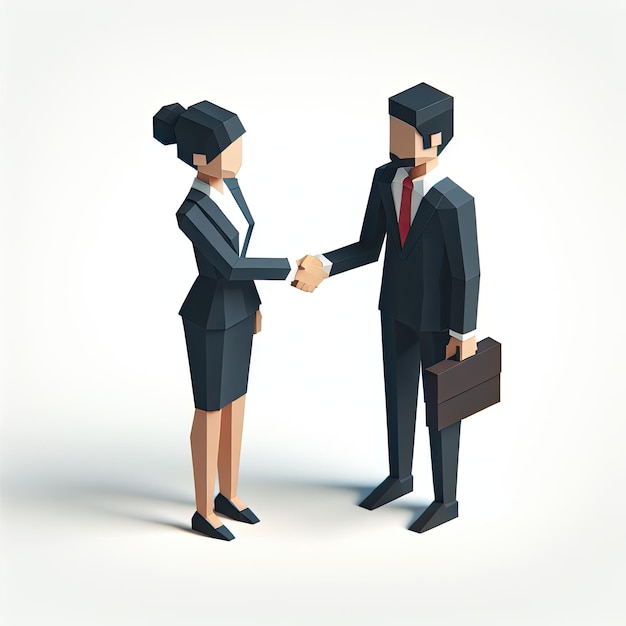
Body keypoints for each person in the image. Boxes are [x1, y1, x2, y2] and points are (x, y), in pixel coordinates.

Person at [292, 83, 480, 532]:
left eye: (404, 133)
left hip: (439, 324)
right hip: (394, 309)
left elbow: (467, 272)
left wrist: (463, 333)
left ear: (434, 140)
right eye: (393, 130)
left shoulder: (455, 201)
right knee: (397, 398)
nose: (394, 142)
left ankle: (446, 498)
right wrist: (326, 265)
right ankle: (399, 476)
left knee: (442, 408)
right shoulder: (383, 179)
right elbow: (367, 245)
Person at [154, 101, 291, 540]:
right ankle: (202, 508)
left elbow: (243, 257)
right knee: (210, 408)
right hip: (210, 313)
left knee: (236, 402)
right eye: (230, 146)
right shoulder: (191, 211)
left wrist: (256, 304)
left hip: (239, 309)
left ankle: (228, 493)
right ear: (200, 157)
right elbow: (229, 265)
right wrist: (288, 266)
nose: (239, 154)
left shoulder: (233, 187)